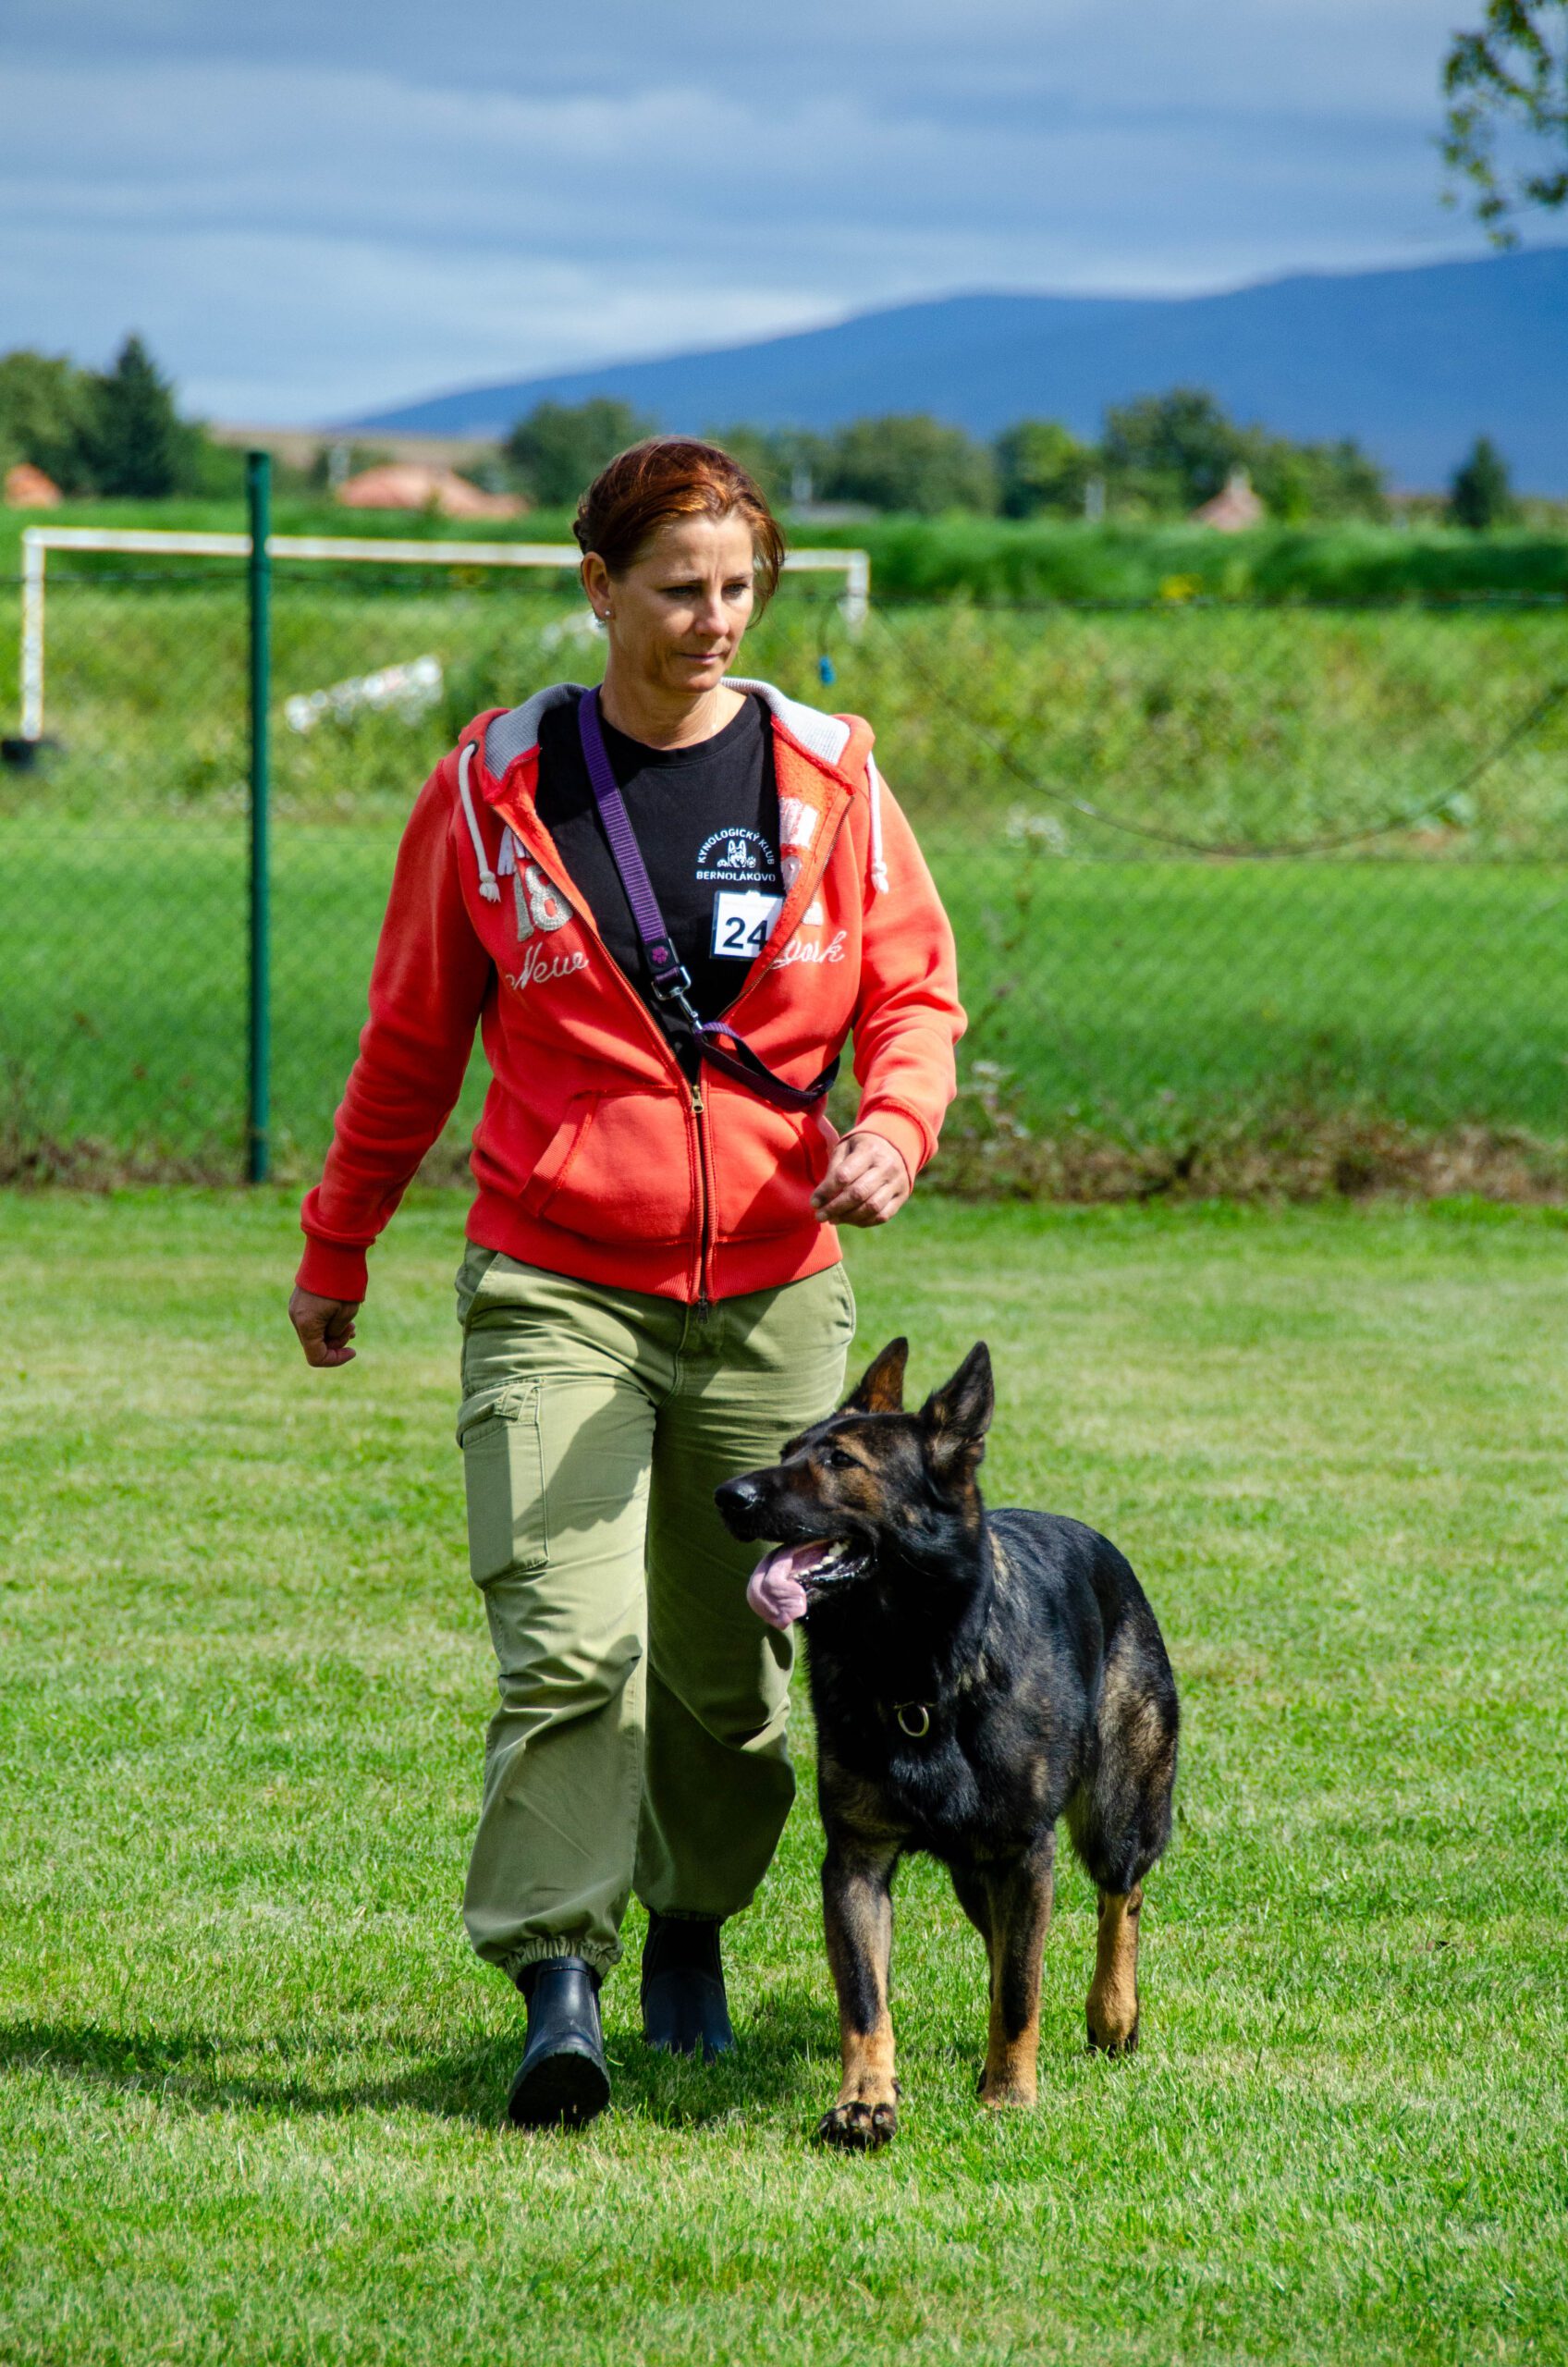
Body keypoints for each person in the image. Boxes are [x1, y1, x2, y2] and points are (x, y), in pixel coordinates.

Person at [288, 436, 962, 2128]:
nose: (714, 621)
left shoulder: (832, 779)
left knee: (731, 1681)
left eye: (739, 589)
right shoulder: (493, 786)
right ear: (598, 588)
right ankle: (558, 1984)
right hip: (555, 1282)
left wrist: (896, 1126)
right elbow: (411, 1038)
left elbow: (913, 998)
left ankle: (690, 1923)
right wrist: (338, 1242)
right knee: (568, 1648)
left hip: (774, 1295)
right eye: (679, 590)